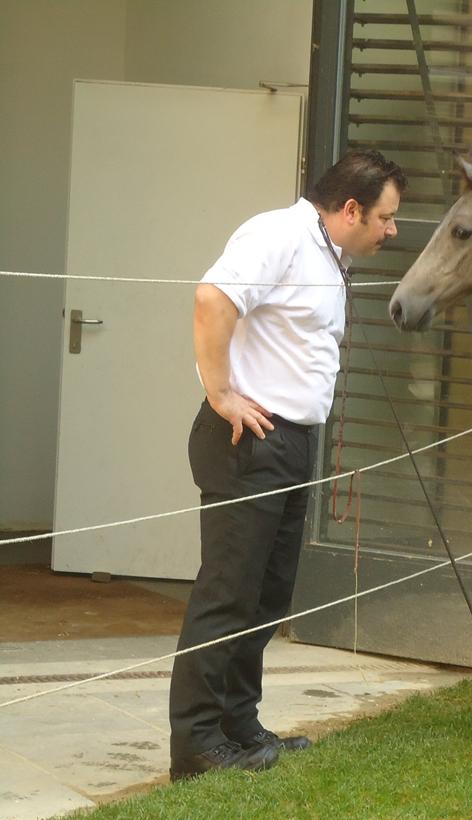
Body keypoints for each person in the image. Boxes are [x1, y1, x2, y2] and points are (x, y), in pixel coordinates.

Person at [169, 150, 407, 781]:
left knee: (268, 595)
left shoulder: (329, 255)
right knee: (228, 593)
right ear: (351, 209)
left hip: (290, 442)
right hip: (247, 439)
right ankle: (196, 745)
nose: (392, 230)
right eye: (386, 217)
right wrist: (221, 394)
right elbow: (212, 298)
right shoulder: (279, 234)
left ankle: (237, 725)